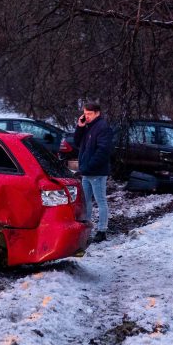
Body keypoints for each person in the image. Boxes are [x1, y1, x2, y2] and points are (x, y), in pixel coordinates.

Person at [73, 101, 113, 242]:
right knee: (85, 201)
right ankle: (86, 228)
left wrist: (89, 166)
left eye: (89, 114)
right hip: (86, 171)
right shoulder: (88, 126)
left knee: (100, 201)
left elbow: (103, 151)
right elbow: (76, 143)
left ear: (97, 113)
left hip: (97, 172)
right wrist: (80, 127)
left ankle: (102, 231)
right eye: (85, 113)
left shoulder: (102, 128)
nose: (86, 116)